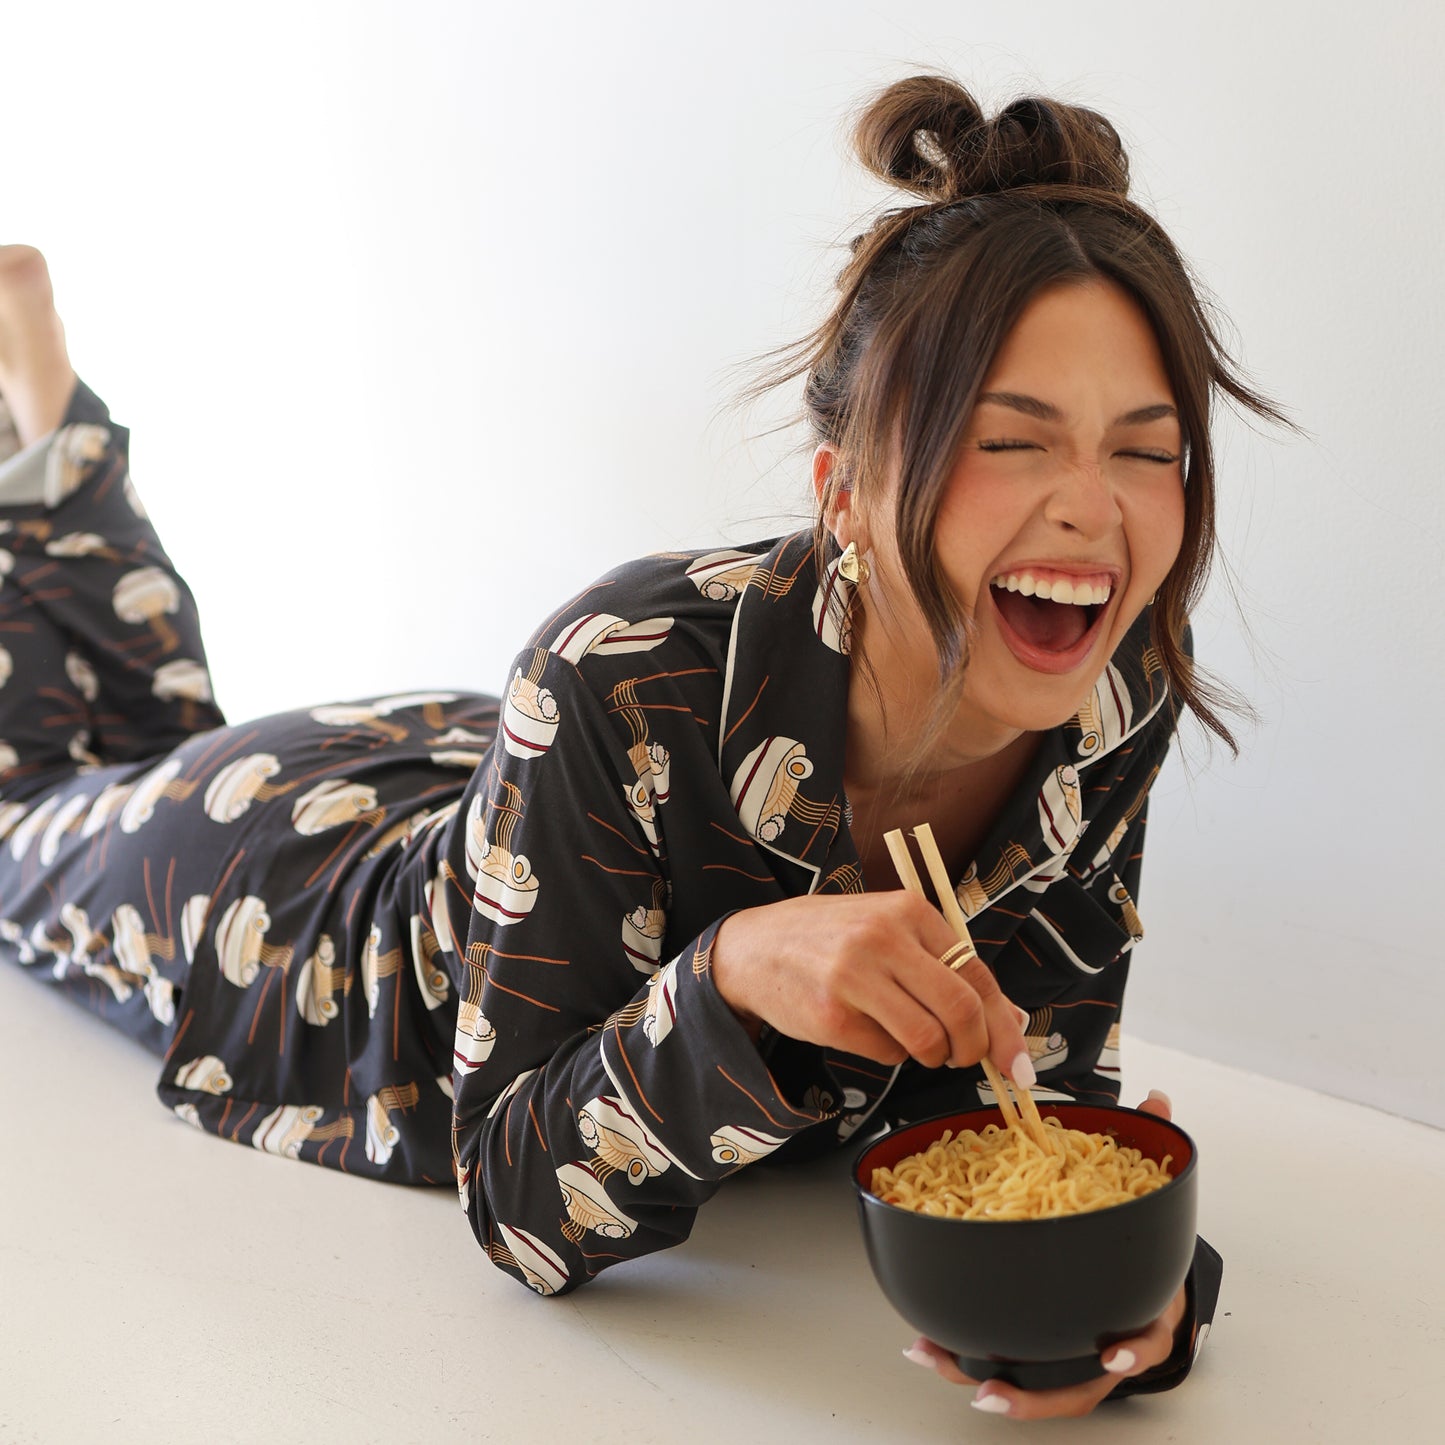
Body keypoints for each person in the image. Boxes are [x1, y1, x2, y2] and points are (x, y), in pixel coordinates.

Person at [0, 75, 1281, 1420]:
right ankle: (49, 419)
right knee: (40, 802)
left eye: (1147, 453)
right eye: (1010, 440)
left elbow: (1035, 1098)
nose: (1093, 512)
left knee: (137, 739)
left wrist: (1136, 1286)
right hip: (316, 909)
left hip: (486, 768)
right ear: (840, 486)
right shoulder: (617, 667)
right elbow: (514, 1197)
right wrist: (729, 978)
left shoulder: (1103, 698)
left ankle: (43, 415)